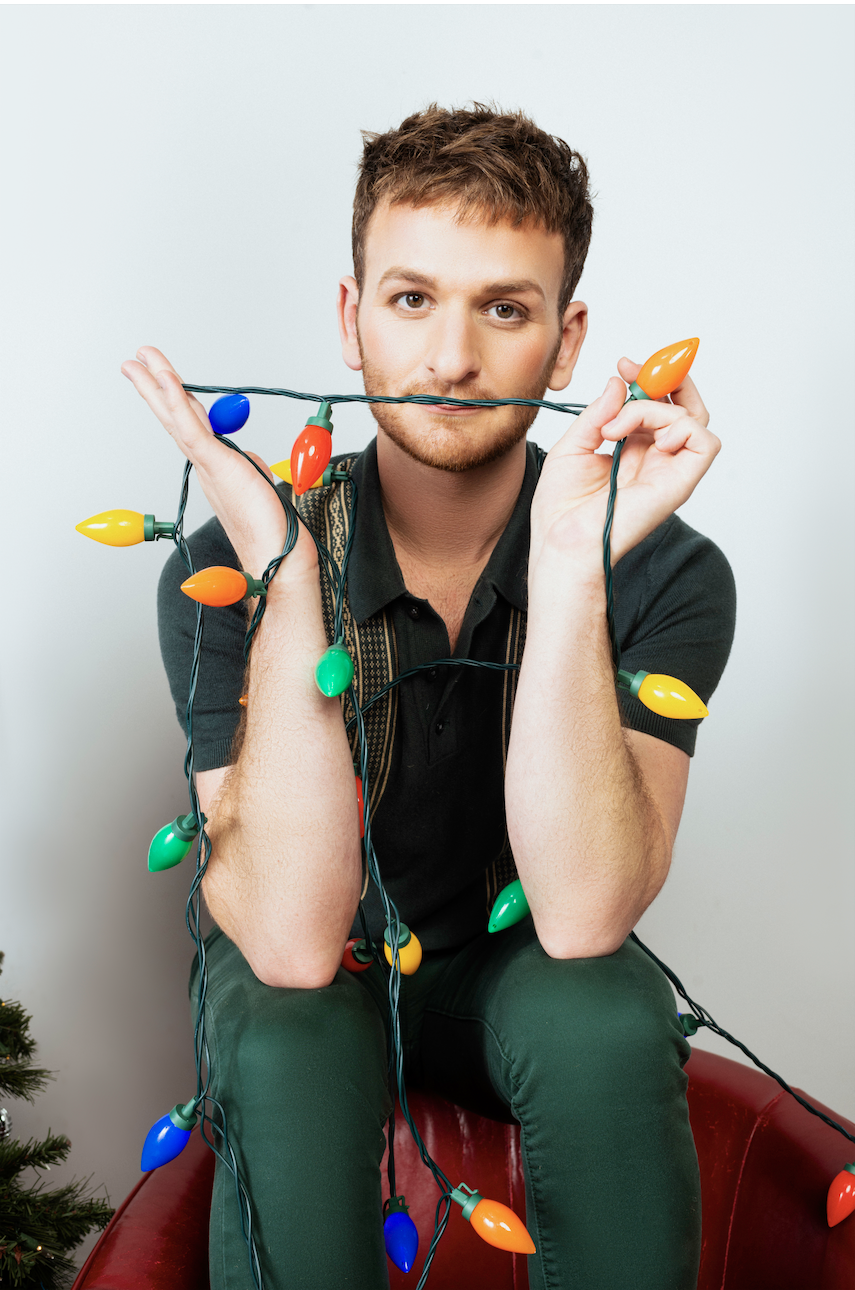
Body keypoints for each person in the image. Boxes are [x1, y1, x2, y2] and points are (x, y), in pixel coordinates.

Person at [123, 105, 736, 1290]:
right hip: (323, 968)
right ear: (352, 321)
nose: (451, 359)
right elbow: (295, 944)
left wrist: (568, 583)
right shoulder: (222, 567)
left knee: (609, 1010)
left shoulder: (668, 570)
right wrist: (289, 582)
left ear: (566, 343)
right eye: (411, 300)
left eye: (504, 310)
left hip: (514, 974)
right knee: (288, 1034)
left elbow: (583, 916)